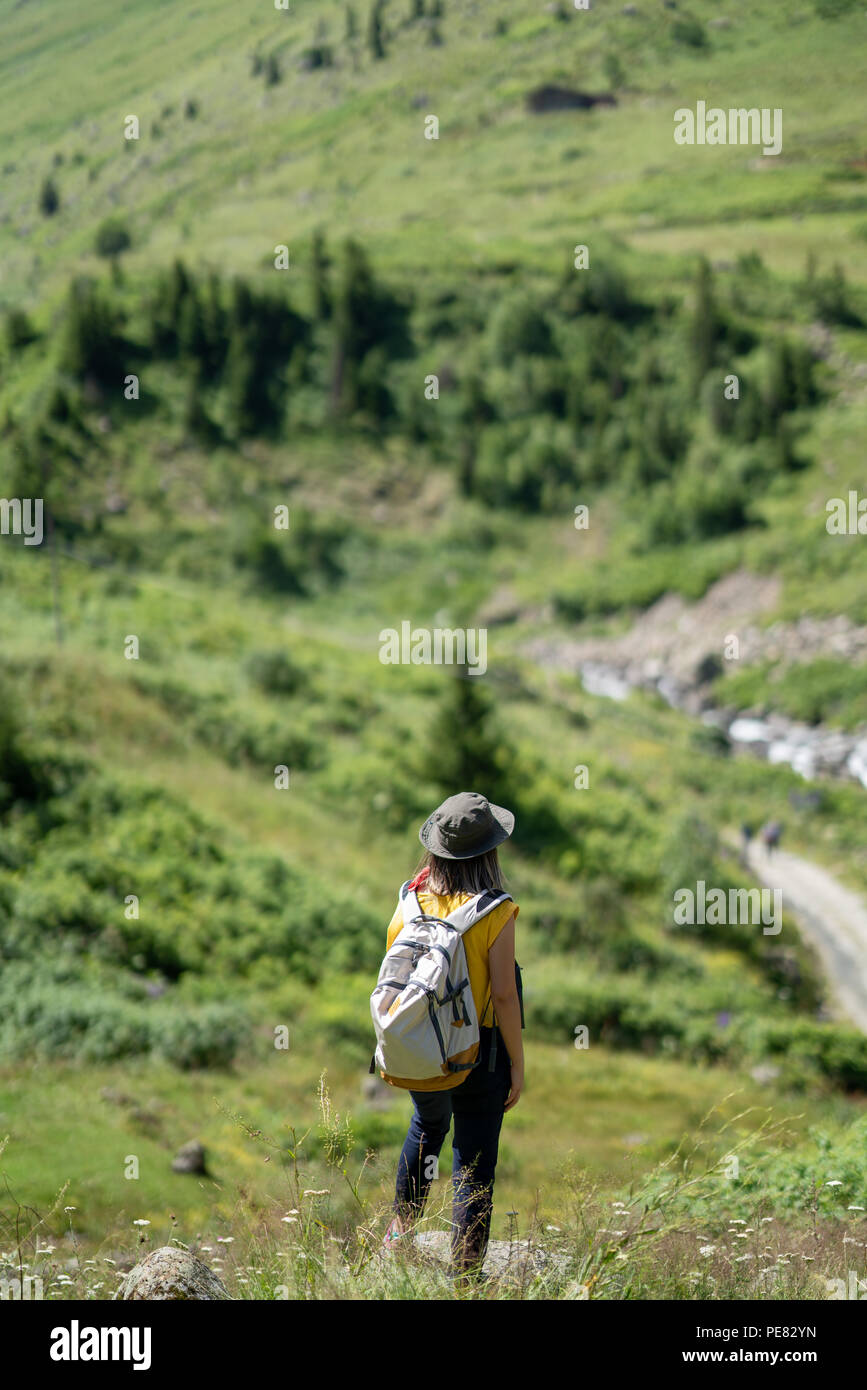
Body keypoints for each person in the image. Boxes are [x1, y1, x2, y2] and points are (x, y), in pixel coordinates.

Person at [382, 791, 523, 1280]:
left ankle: (398, 1238)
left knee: (426, 1131)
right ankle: (464, 1277)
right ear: (490, 852)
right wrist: (518, 1065)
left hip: (422, 1050)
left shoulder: (409, 899)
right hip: (479, 1053)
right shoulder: (495, 911)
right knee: (474, 1159)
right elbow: (504, 995)